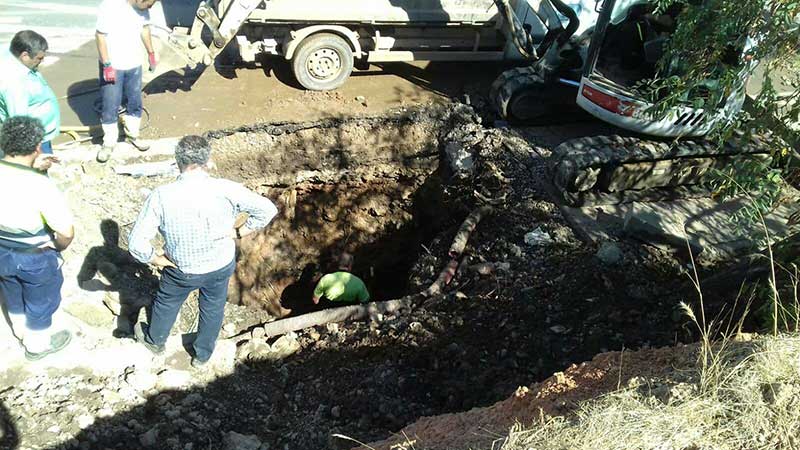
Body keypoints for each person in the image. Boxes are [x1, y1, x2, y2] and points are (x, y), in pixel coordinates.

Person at [128, 135, 278, 367]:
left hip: (181, 268)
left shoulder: (162, 196)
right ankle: (202, 356)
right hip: (220, 264)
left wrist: (157, 259)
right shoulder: (227, 189)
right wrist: (239, 232)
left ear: (178, 162)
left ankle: (155, 341)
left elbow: (136, 243)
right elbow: (267, 209)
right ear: (207, 161)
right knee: (213, 307)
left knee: (167, 302)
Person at [0, 116, 74, 361]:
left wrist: (31, 165)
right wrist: (56, 247)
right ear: (37, 147)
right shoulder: (41, 186)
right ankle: (37, 345)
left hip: (2, 249)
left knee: (10, 287)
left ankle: (18, 329)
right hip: (34, 255)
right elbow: (66, 232)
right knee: (40, 300)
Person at [95, 0, 158, 163]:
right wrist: (107, 64)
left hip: (134, 64)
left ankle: (133, 135)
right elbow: (100, 36)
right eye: (150, 3)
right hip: (113, 65)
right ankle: (108, 143)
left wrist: (151, 53)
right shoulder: (110, 6)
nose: (151, 6)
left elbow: (145, 29)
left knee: (135, 102)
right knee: (111, 105)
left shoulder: (142, 9)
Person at [0, 30, 59, 155]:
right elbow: (19, 124)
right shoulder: (14, 84)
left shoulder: (8, 53)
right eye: (39, 58)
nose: (41, 61)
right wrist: (33, 154)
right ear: (25, 55)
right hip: (34, 142)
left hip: (38, 135)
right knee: (37, 174)